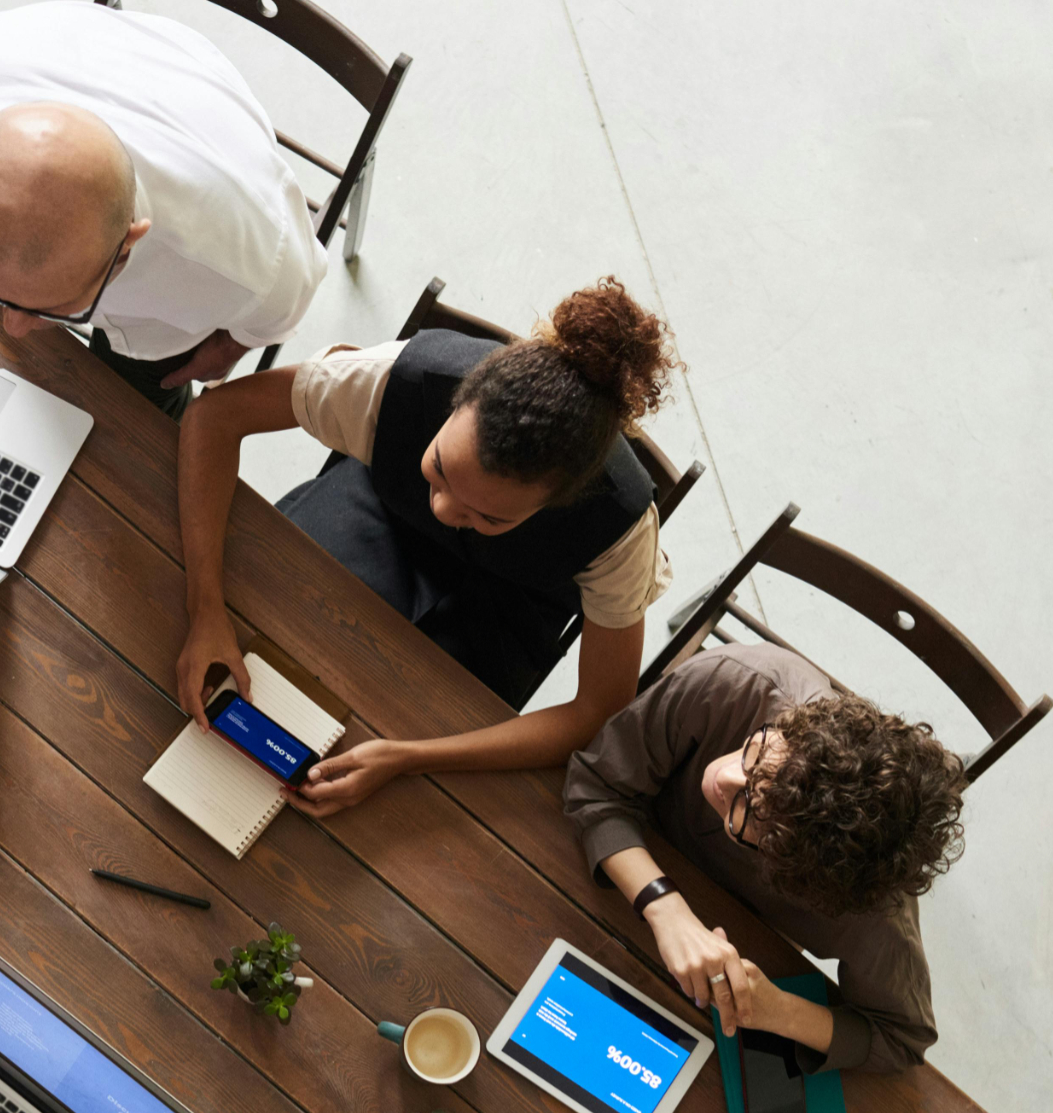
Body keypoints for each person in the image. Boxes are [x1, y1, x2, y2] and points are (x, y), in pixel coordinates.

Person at [0, 1, 326, 724]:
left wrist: (219, 350)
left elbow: (259, 324)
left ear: (130, 245)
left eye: (50, 309)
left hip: (188, 119)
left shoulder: (249, 261)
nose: (14, 328)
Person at [174, 277, 678, 815]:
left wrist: (408, 758)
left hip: (512, 604)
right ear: (455, 404)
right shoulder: (393, 381)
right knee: (272, 632)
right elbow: (214, 417)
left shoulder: (619, 529)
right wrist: (204, 608)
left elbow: (600, 708)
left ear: (558, 503)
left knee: (409, 760)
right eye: (439, 470)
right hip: (380, 514)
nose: (443, 510)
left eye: (487, 514)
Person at [562, 643, 965, 1072]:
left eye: (750, 813)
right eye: (758, 756)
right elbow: (595, 782)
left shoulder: (874, 908)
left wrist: (777, 1010)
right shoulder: (736, 682)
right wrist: (666, 910)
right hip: (609, 878)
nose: (724, 777)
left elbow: (901, 1039)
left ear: (795, 874)